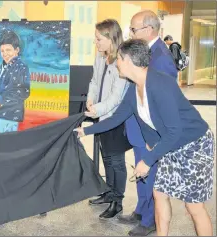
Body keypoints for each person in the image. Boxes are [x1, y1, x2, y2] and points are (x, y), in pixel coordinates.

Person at [74, 39, 214, 236]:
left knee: (194, 207)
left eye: (119, 60)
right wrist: (86, 131)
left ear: (129, 60)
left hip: (194, 144)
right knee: (159, 194)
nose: (117, 64)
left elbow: (174, 131)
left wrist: (147, 160)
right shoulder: (134, 87)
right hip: (169, 144)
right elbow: (117, 117)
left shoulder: (160, 85)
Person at [115, 10, 178, 236]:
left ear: (149, 29)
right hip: (138, 127)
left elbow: (164, 99)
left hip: (151, 131)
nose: (130, 33)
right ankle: (142, 210)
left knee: (151, 174)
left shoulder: (161, 57)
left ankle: (150, 220)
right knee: (141, 172)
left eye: (133, 29)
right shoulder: (144, 52)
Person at [84, 19, 130, 219]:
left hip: (115, 118)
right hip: (101, 114)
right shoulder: (100, 57)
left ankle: (117, 201)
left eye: (99, 39)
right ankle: (109, 191)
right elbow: (94, 81)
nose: (96, 42)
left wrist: (98, 110)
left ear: (111, 38)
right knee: (106, 156)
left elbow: (116, 97)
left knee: (116, 161)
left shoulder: (122, 60)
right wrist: (90, 99)